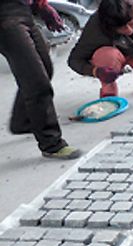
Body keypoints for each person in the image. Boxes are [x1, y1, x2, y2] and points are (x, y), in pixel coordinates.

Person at [0, 0, 81, 159]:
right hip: (4, 17)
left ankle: (23, 121)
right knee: (36, 82)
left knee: (45, 67)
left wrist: (42, 6)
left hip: (23, 10)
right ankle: (51, 144)